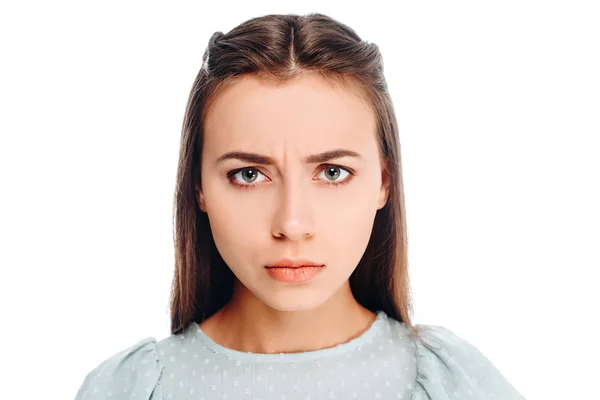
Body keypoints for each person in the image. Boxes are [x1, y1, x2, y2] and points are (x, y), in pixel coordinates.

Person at [74, 12, 526, 400]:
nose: (292, 224)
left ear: (384, 182)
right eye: (249, 175)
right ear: (199, 187)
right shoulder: (133, 388)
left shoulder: (452, 383)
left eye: (332, 172)